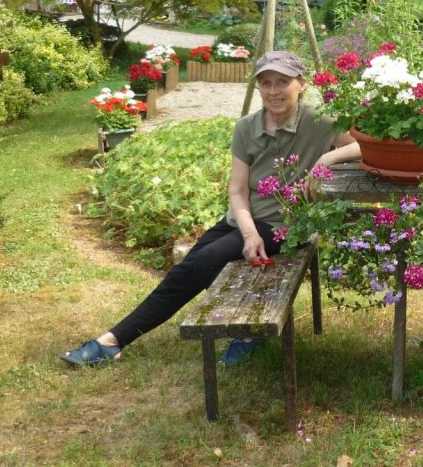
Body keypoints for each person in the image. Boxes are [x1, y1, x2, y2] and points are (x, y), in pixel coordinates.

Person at [61, 50, 360, 367]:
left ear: (301, 84)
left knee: (205, 260)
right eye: (266, 83)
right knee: (186, 270)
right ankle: (116, 339)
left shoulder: (319, 123)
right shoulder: (247, 127)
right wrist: (247, 233)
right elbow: (238, 189)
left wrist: (325, 160)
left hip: (285, 226)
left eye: (282, 82)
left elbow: (361, 146)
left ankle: (120, 341)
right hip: (244, 220)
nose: (274, 91)